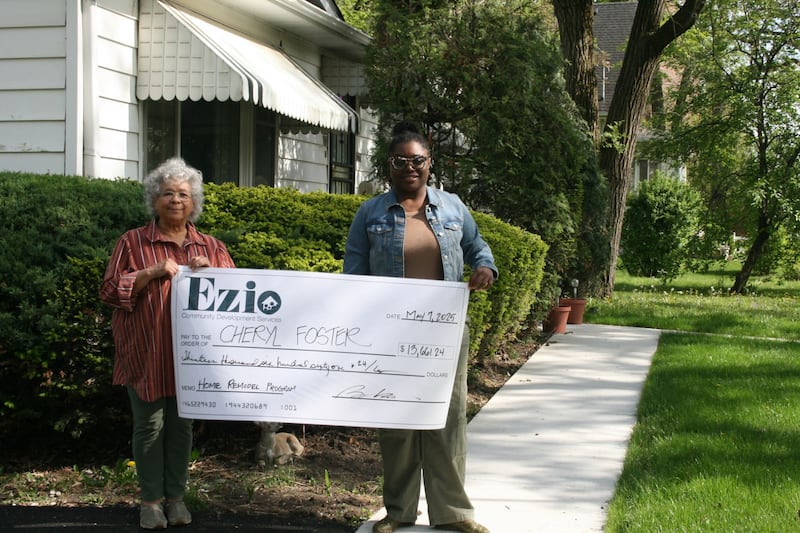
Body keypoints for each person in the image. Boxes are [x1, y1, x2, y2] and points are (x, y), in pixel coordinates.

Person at [344, 122, 497, 533]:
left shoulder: (452, 207)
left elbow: (477, 246)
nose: (410, 167)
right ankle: (398, 512)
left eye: (418, 160)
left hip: (444, 330)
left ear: (430, 164)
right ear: (389, 166)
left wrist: (484, 267)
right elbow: (353, 274)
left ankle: (454, 513)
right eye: (401, 161)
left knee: (447, 418)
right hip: (390, 330)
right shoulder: (371, 212)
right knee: (397, 420)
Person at [99, 157, 236, 530]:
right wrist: (150, 271)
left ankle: (176, 499)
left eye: (183, 195)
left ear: (194, 203)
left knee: (181, 427)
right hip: (146, 351)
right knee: (149, 426)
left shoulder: (211, 246)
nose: (176, 200)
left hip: (192, 357)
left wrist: (213, 274)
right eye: (168, 193)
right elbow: (110, 292)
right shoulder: (132, 242)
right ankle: (150, 503)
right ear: (153, 199)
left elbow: (239, 303)